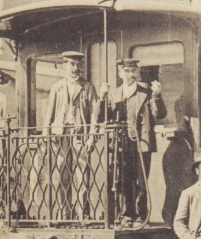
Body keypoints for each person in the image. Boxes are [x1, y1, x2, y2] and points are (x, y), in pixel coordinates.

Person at [100, 59, 167, 228]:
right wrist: (102, 98)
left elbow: (160, 114)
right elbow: (103, 118)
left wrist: (157, 96)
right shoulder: (114, 94)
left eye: (133, 71)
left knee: (141, 180)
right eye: (127, 71)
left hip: (142, 143)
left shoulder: (146, 92)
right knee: (124, 179)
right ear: (120, 74)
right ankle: (126, 215)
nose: (130, 75)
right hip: (121, 144)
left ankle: (140, 215)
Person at [43, 51, 100, 219]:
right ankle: (65, 212)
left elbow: (94, 115)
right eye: (72, 65)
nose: (76, 68)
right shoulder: (57, 87)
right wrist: (46, 135)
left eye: (78, 65)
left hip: (79, 136)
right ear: (65, 66)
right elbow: (49, 114)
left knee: (83, 175)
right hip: (59, 137)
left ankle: (83, 214)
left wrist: (91, 137)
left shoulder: (88, 87)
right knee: (62, 175)